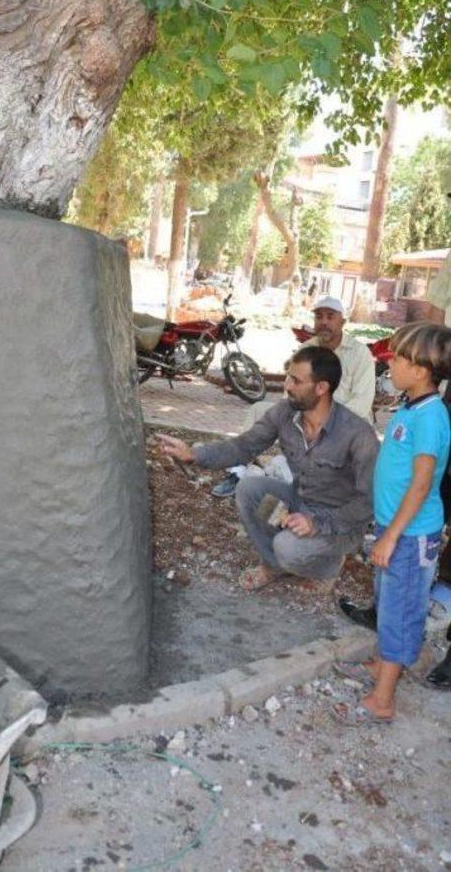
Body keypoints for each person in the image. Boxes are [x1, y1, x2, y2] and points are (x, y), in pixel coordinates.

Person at [158, 345, 379, 593]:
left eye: (296, 380)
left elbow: (368, 503)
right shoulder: (285, 413)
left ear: (321, 388)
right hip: (300, 502)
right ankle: (274, 565)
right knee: (249, 489)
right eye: (288, 377)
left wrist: (317, 523)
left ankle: (328, 567)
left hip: (340, 525)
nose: (287, 386)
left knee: (287, 547)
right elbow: (244, 446)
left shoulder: (358, 435)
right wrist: (194, 454)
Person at [333, 322, 451, 724]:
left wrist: (392, 536)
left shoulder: (432, 417)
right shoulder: (411, 406)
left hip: (410, 535)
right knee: (389, 605)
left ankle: (382, 701)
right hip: (394, 530)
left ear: (420, 369)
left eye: (398, 357)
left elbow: (421, 485)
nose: (390, 362)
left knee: (401, 614)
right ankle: (382, 666)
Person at [212, 294, 376, 497]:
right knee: (258, 411)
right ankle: (238, 471)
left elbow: (362, 404)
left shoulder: (360, 354)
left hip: (347, 427)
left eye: (330, 316)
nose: (324, 322)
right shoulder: (306, 349)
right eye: (319, 317)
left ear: (342, 321)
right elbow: (290, 391)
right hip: (308, 418)